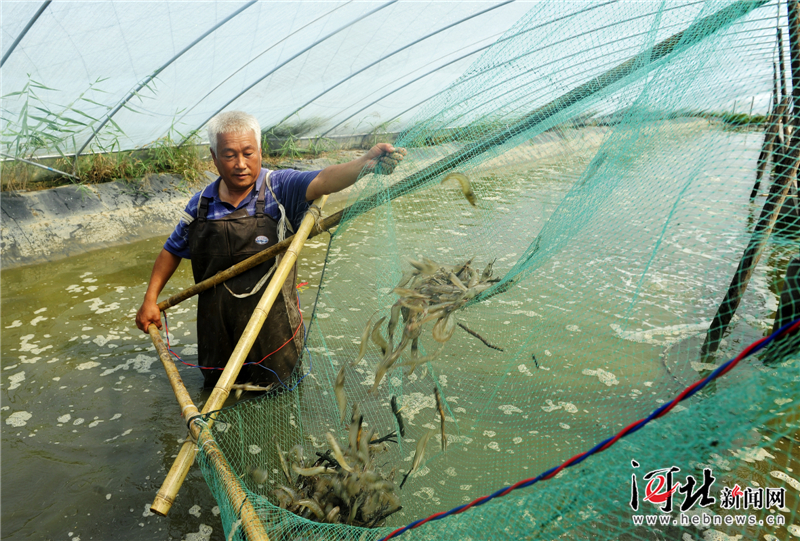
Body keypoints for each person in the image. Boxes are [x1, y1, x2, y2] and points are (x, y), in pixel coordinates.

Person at [135, 111, 405, 388]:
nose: (241, 164)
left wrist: (364, 164)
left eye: (248, 153)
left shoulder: (279, 187)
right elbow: (172, 250)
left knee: (280, 397)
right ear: (214, 158)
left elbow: (324, 180)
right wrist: (150, 300)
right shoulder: (200, 204)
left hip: (273, 331)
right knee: (218, 396)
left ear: (260, 152)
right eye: (229, 155)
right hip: (217, 331)